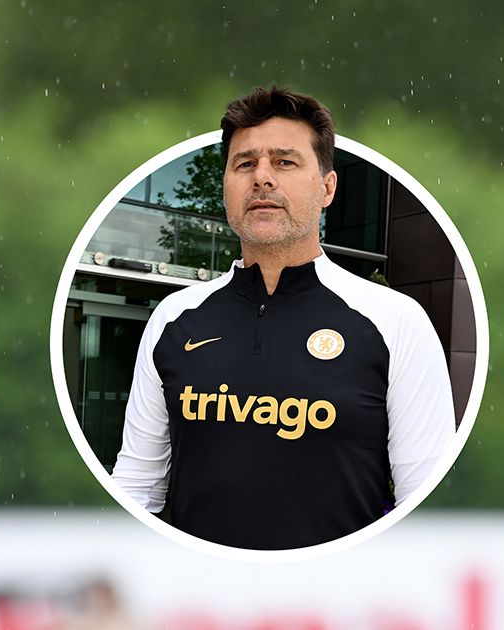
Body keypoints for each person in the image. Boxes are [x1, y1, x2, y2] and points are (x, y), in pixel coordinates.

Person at [112, 86, 455, 550]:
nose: (262, 179)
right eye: (245, 164)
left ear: (327, 188)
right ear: (227, 186)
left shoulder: (396, 321)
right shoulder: (174, 319)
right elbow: (136, 486)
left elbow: (426, 503)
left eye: (285, 162)